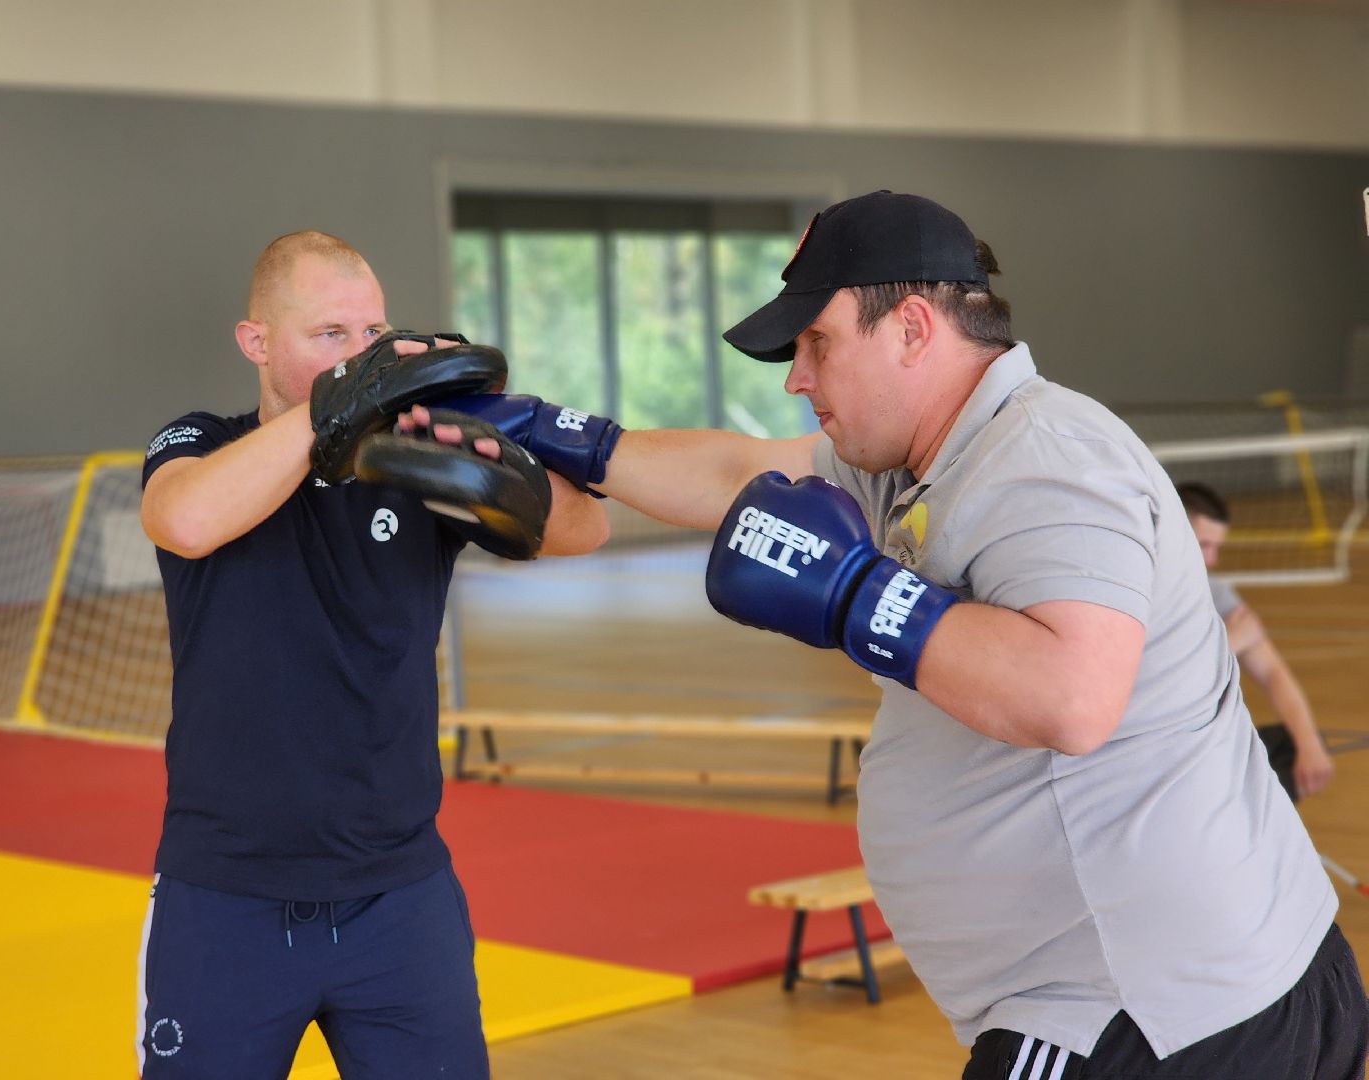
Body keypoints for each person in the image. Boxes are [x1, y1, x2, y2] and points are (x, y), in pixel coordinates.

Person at [421, 191, 1369, 1078]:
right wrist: (552, 431)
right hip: (1172, 989)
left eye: (818, 344)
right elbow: (731, 475)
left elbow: (1073, 697)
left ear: (912, 329)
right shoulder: (922, 456)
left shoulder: (1045, 461)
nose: (796, 378)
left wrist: (853, 593)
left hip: (1146, 1012)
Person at [136, 230, 608, 1079]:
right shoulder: (199, 442)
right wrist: (340, 407)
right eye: (330, 337)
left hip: (399, 897)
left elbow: (584, 530)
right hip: (225, 895)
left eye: (373, 337)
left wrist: (496, 460)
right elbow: (186, 520)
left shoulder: (411, 465)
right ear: (257, 342)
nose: (361, 357)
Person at [1177, 480, 1334, 801]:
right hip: (1169, 749)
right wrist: (1229, 643)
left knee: (1290, 746)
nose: (1211, 560)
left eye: (1216, 548)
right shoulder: (1141, 597)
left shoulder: (1216, 593)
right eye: (1204, 545)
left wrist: (1309, 744)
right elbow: (1157, 685)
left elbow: (1273, 672)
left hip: (1210, 740)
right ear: (1174, 534)